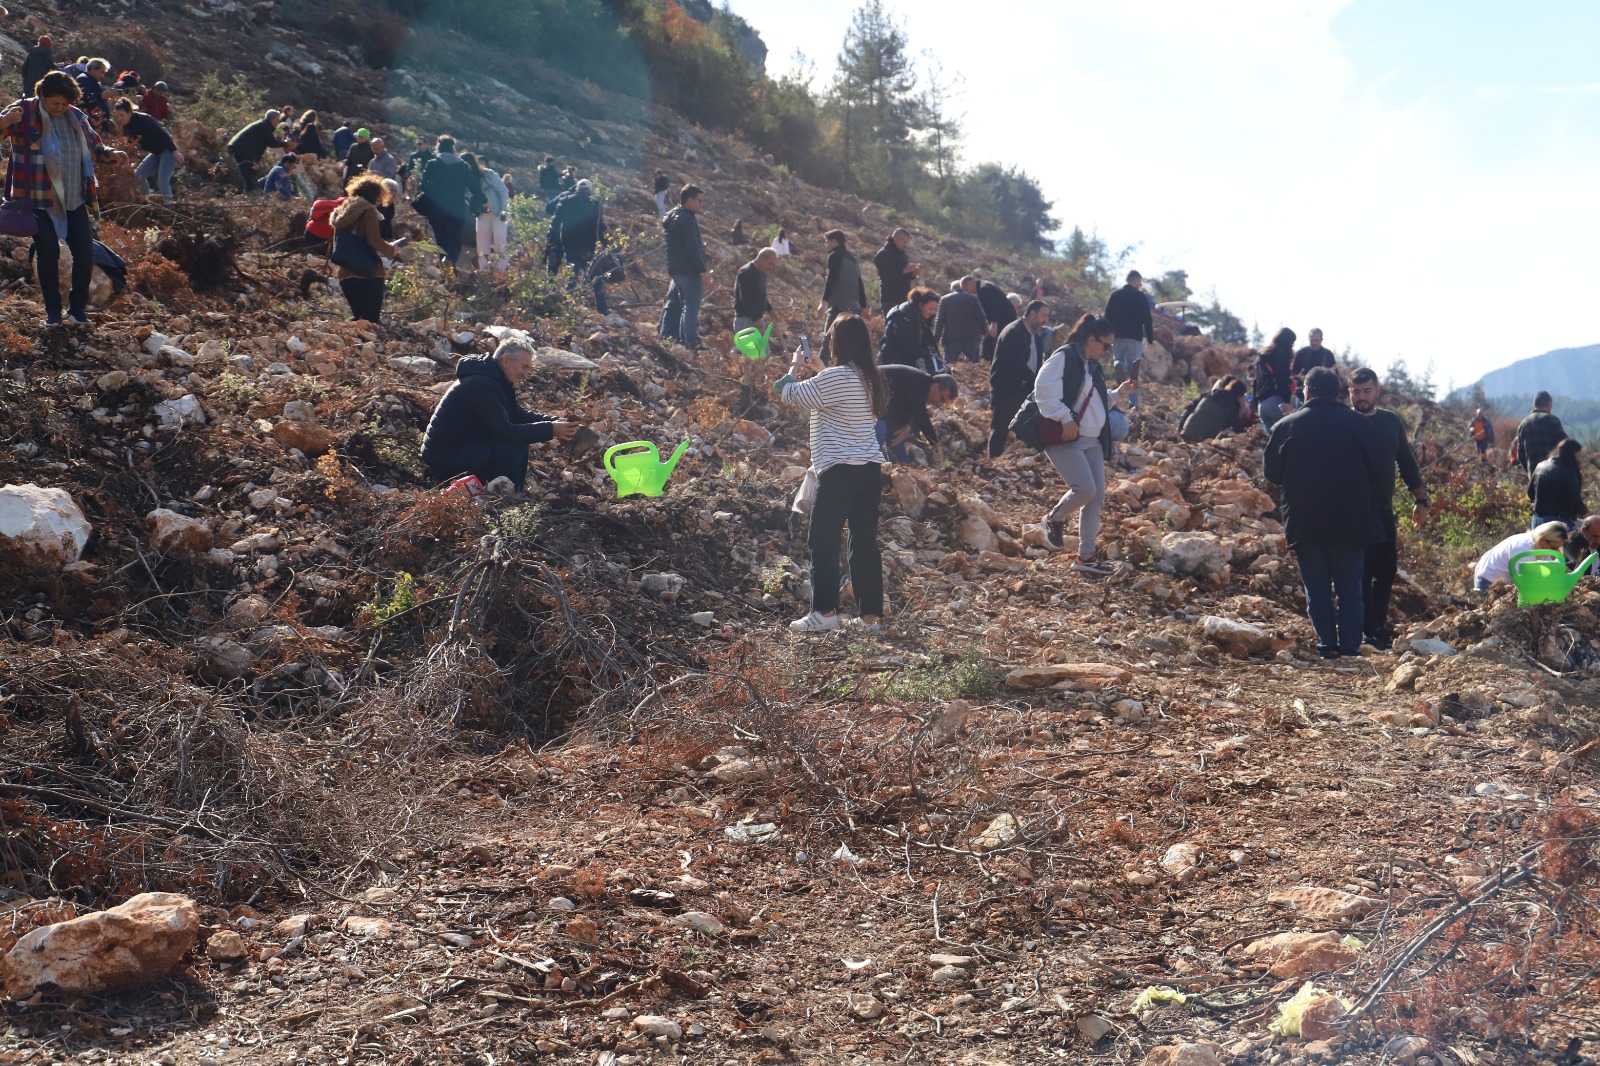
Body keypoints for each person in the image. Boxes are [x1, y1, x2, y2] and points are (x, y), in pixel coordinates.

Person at [1263, 367, 1388, 658]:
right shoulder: (1358, 424)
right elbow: (1380, 466)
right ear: (1338, 392)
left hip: (1306, 521)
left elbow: (1272, 473)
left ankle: (1326, 645)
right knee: (1350, 588)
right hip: (1351, 519)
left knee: (1316, 588)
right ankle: (1349, 647)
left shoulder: (1286, 426)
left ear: (1305, 391)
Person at [774, 315, 888, 633]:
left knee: (823, 539)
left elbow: (786, 392)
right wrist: (819, 369)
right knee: (863, 541)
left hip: (839, 470)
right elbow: (834, 393)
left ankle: (824, 612)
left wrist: (795, 365)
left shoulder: (836, 378)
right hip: (869, 470)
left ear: (838, 341)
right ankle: (870, 618)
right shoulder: (867, 377)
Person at [0, 71, 128, 326]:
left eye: (64, 104)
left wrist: (111, 153)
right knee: (47, 252)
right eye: (53, 103)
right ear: (41, 95)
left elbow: (95, 146)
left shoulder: (76, 118)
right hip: (37, 199)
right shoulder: (23, 112)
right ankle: (52, 312)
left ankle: (77, 309)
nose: (59, 108)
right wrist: (3, 121)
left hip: (73, 198)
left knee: (84, 252)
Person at [1037, 314, 1139, 573]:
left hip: (1092, 441)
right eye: (1106, 346)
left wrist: (1119, 393)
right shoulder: (1065, 356)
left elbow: (1093, 402)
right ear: (1091, 340)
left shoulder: (1091, 366)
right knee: (1084, 490)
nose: (1108, 352)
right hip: (1065, 437)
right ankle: (1054, 518)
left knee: (1096, 498)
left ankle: (1086, 557)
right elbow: (1042, 390)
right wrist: (1065, 418)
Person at [420, 339, 582, 489]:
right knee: (510, 451)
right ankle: (499, 494)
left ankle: (508, 490)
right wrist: (551, 429)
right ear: (506, 361)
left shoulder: (496, 381)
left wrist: (556, 422)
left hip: (462, 449)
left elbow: (518, 415)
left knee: (518, 444)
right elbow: (504, 432)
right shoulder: (483, 385)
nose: (526, 375)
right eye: (524, 367)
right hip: (444, 461)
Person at [1350, 367, 1430, 651]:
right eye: (1356, 392)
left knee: (1385, 570)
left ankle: (1376, 628)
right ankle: (1365, 631)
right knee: (1361, 572)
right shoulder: (1344, 421)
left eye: (1366, 391)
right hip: (1352, 512)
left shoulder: (1389, 421)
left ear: (1377, 390)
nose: (1361, 397)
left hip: (1383, 509)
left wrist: (1420, 500)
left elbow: (1406, 462)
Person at [329, 174, 403, 323]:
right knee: (371, 320)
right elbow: (374, 240)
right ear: (375, 195)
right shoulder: (368, 212)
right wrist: (390, 250)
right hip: (368, 273)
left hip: (345, 273)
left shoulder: (343, 210)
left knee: (359, 318)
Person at [989, 299, 1051, 458]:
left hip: (1025, 389)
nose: (1046, 320)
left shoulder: (1036, 337)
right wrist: (1036, 381)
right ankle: (992, 463)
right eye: (1043, 316)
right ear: (1032, 314)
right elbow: (1016, 365)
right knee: (1000, 428)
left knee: (1026, 428)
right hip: (1006, 388)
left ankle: (1019, 463)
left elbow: (1036, 365)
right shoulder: (1014, 331)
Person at [658, 184, 708, 351]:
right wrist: (702, 270)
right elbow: (692, 247)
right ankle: (690, 343)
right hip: (689, 270)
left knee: (681, 307)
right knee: (690, 308)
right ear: (689, 200)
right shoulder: (686, 218)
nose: (701, 204)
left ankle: (679, 342)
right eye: (699, 200)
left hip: (677, 270)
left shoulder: (674, 216)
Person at [877, 365, 956, 465]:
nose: (939, 403)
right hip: (866, 401)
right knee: (880, 427)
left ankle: (899, 468)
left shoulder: (921, 385)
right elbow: (921, 415)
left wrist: (906, 425)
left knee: (898, 440)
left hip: (885, 408)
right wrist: (935, 443)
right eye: (942, 399)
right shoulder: (920, 383)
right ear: (935, 386)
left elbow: (908, 406)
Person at [418, 135, 474, 267]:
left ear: (438, 148)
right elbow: (473, 186)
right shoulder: (462, 166)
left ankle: (447, 274)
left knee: (441, 243)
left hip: (435, 210)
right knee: (454, 244)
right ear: (452, 149)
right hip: (456, 210)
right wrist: (482, 200)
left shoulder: (432, 164)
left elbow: (423, 186)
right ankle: (449, 260)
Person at [111, 98, 181, 201]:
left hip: (167, 151)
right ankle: (146, 200)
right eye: (117, 116)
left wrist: (174, 151)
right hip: (155, 153)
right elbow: (131, 146)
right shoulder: (127, 127)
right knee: (138, 176)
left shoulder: (144, 119)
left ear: (129, 113)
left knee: (162, 181)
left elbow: (164, 134)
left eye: (122, 115)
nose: (119, 118)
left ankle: (170, 206)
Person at [1474, 522, 1568, 594]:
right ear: (1543, 540)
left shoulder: (1542, 546)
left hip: (1504, 581)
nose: (1556, 552)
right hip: (1487, 580)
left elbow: (1550, 572)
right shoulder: (1523, 548)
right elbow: (1528, 582)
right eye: (1555, 548)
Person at [818, 229, 867, 363]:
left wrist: (823, 302)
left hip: (839, 308)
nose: (825, 245)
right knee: (850, 344)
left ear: (834, 242)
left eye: (827, 242)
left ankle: (817, 374)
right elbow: (860, 284)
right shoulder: (853, 260)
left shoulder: (834, 256)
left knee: (828, 340)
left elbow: (831, 280)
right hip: (855, 309)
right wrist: (864, 306)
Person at [1104, 270, 1153, 396]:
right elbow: (1147, 319)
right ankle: (1133, 402)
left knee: (1119, 358)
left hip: (1117, 337)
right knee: (1133, 372)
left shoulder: (1115, 295)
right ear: (1135, 280)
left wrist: (1105, 335)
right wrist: (1150, 338)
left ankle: (1119, 364)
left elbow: (1107, 317)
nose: (1140, 285)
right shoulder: (1140, 297)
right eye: (1140, 282)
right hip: (1134, 338)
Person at [876, 286, 940, 373]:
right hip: (893, 362)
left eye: (935, 310)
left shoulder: (920, 317)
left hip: (905, 363)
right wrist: (926, 354)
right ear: (921, 305)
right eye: (930, 309)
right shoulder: (902, 315)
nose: (933, 312)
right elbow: (906, 343)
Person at [466, 152, 510, 272]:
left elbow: (503, 191)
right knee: (482, 245)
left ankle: (501, 271)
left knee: (500, 243)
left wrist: (504, 211)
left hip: (498, 213)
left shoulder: (488, 174)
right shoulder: (464, 180)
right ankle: (484, 271)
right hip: (481, 215)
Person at [1529, 438, 1586, 529]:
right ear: (1571, 455)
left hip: (1537, 519)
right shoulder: (1569, 472)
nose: (1578, 461)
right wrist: (1584, 510)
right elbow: (1575, 502)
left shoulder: (1540, 466)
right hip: (1558, 522)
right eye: (1577, 457)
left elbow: (1531, 493)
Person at [1178, 376, 1251, 443]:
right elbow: (1236, 426)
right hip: (1201, 439)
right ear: (1239, 395)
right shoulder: (1233, 405)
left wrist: (1180, 426)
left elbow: (1188, 409)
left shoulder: (1208, 393)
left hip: (1186, 432)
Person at [227, 109, 284, 192]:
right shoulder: (265, 126)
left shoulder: (264, 125)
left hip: (241, 149)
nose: (278, 123)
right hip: (242, 149)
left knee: (250, 175)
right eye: (277, 120)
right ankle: (247, 195)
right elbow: (272, 143)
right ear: (273, 119)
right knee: (249, 177)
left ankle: (246, 193)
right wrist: (286, 144)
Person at [933, 277, 986, 365]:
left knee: (948, 364)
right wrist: (984, 331)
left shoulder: (945, 299)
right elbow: (981, 316)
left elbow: (939, 320)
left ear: (952, 289)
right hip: (971, 337)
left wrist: (935, 338)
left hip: (951, 337)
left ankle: (950, 378)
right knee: (973, 365)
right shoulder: (973, 298)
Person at [1511, 392, 1566, 476]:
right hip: (1553, 476)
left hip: (1534, 479)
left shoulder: (1522, 425)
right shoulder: (1552, 420)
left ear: (1534, 405)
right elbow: (1566, 447)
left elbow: (1520, 456)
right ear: (1548, 404)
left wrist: (1531, 471)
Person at [1252, 327, 1297, 428]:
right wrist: (1286, 400)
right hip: (1276, 402)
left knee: (1272, 441)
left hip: (1261, 406)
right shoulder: (1282, 353)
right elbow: (1282, 379)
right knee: (1293, 432)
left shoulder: (1263, 355)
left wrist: (1256, 402)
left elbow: (1256, 381)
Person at [873, 227, 919, 313]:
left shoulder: (902, 255)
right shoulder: (883, 254)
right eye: (904, 242)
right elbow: (885, 275)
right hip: (890, 300)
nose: (905, 245)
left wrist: (913, 274)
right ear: (896, 239)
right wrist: (904, 271)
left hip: (904, 299)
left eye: (907, 242)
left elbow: (904, 276)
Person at [974, 275, 1018, 364]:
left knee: (996, 341)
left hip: (1002, 320)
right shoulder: (985, 286)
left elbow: (994, 305)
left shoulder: (984, 289)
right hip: (1002, 319)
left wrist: (994, 322)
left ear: (969, 284)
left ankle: (993, 362)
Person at [733, 247, 777, 333]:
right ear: (762, 259)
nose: (770, 267)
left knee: (762, 346)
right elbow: (745, 299)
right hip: (746, 321)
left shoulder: (761, 273)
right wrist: (755, 319)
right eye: (770, 263)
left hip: (756, 319)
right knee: (749, 347)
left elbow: (761, 295)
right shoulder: (746, 272)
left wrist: (770, 309)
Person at [1290, 328, 1334, 402]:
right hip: (1303, 394)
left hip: (1324, 395)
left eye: (1316, 340)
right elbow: (1293, 372)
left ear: (1321, 340)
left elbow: (1334, 373)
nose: (1314, 343)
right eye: (1311, 340)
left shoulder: (1328, 355)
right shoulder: (1301, 354)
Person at [74, 59, 109, 127]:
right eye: (101, 72)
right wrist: (101, 95)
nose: (103, 76)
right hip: (91, 124)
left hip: (97, 122)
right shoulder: (83, 79)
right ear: (93, 69)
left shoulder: (93, 81)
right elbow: (85, 98)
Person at [20, 36, 52, 101]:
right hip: (41, 79)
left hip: (29, 78)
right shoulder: (47, 51)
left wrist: (24, 76)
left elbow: (25, 65)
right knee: (38, 97)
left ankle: (24, 109)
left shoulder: (32, 51)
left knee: (27, 97)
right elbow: (50, 64)